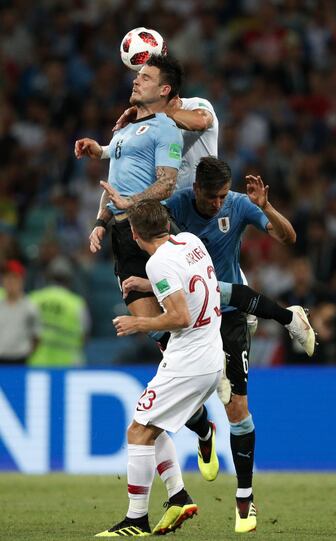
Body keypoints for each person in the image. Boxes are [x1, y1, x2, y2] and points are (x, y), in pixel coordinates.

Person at [106, 157, 315, 534]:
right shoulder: (176, 211)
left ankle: (245, 498)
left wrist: (266, 207)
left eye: (222, 196)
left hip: (225, 312)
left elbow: (288, 238)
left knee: (236, 408)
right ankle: (203, 433)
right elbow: (147, 226)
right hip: (192, 306)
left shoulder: (239, 204)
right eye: (210, 197)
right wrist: (108, 225)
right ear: (195, 189)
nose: (218, 204)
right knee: (177, 402)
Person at [95, 199, 224, 537]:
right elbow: (190, 284)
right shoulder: (190, 242)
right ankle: (178, 496)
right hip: (210, 354)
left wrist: (138, 323)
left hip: (189, 361)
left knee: (137, 432)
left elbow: (181, 316)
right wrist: (144, 284)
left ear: (135, 234)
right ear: (167, 223)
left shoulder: (158, 264)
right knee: (153, 426)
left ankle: (136, 520)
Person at [74, 54, 184, 320]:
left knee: (179, 317)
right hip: (124, 233)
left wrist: (131, 202)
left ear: (164, 89)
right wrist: (101, 222)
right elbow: (114, 185)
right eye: (138, 76)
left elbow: (167, 184)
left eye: (146, 77)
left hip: (154, 230)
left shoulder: (166, 129)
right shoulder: (123, 130)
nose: (136, 81)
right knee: (150, 323)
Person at [28, 256, 90, 367]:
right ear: (69, 279)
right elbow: (84, 335)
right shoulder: (77, 303)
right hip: (68, 364)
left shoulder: (34, 298)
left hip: (36, 363)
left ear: (47, 277)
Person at [0, 260, 41, 364]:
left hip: (20, 359)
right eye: (6, 277)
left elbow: (36, 336)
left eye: (14, 278)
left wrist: (28, 354)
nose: (10, 282)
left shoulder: (30, 307)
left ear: (21, 280)